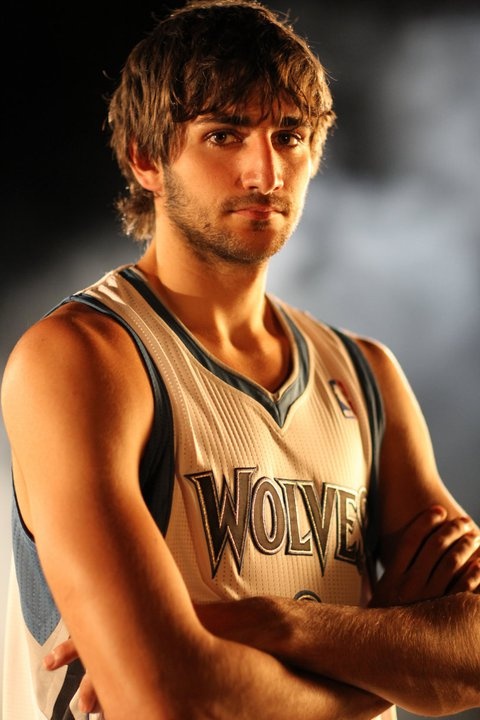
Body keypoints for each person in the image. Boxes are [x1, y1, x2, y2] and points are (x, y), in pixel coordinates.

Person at [2, 1, 480, 718]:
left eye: (289, 136)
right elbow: (168, 697)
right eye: (224, 135)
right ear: (145, 157)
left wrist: (276, 624)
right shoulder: (83, 358)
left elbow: (471, 659)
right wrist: (388, 657)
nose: (266, 172)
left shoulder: (366, 376)